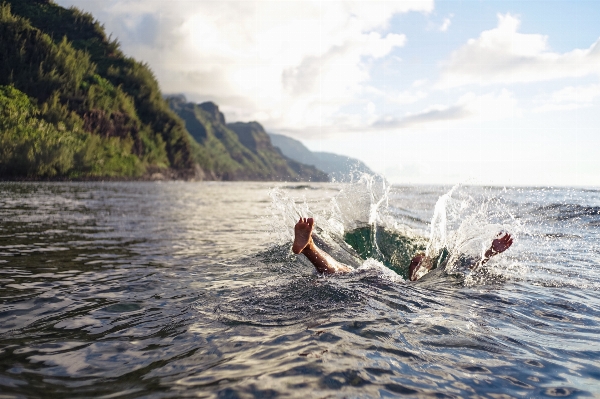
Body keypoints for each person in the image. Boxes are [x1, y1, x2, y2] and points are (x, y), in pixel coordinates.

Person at [292, 217, 513, 281]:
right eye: (415, 261)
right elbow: (467, 268)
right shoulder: (396, 277)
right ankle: (309, 246)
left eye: (420, 262)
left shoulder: (439, 275)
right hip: (383, 281)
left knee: (344, 272)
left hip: (384, 285)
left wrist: (490, 253)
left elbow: (466, 267)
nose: (416, 261)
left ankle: (310, 247)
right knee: (344, 272)